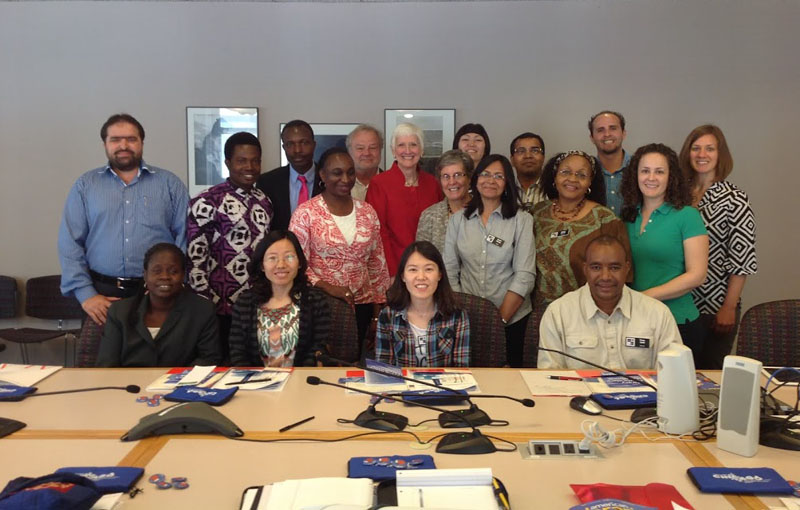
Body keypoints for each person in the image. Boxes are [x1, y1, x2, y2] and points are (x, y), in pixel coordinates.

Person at [58, 113, 189, 328]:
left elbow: (186, 238)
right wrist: (86, 295)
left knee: (159, 360)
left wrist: (175, 286)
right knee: (103, 359)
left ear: (142, 143)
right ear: (105, 144)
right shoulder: (86, 185)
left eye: (131, 139)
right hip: (102, 296)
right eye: (115, 139)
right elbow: (70, 243)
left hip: (159, 293)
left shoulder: (169, 184)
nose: (123, 145)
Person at [290, 147, 391, 350]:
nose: (345, 179)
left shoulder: (367, 212)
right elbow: (296, 263)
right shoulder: (306, 213)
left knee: (357, 366)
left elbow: (377, 263)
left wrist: (378, 311)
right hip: (321, 305)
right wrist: (329, 288)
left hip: (362, 306)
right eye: (337, 173)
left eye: (350, 172)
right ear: (322, 175)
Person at [444, 154, 535, 367]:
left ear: (507, 183)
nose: (490, 180)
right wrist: (464, 313)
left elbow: (525, 275)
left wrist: (498, 321)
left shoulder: (521, 220)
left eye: (498, 176)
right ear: (475, 180)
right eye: (485, 174)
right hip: (467, 319)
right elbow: (449, 269)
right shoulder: (458, 220)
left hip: (512, 320)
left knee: (510, 381)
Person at [538, 236, 682, 369]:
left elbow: (673, 374)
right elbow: (549, 377)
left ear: (627, 268)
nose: (605, 276)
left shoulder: (657, 313)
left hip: (645, 396)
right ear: (585, 269)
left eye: (614, 268)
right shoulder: (558, 313)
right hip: (580, 396)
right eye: (596, 267)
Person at [187, 132, 273, 355]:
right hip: (219, 309)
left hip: (258, 304)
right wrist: (203, 307)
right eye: (242, 160)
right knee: (221, 368)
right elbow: (195, 259)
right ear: (228, 163)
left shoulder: (264, 201)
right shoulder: (206, 201)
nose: (250, 167)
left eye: (255, 160)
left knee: (255, 367)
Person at [679, 125, 758, 369]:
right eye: (696, 148)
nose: (702, 154)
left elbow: (742, 258)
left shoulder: (735, 198)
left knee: (710, 376)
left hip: (715, 306)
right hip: (680, 302)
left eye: (709, 148)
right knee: (679, 374)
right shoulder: (679, 196)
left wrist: (728, 307)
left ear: (720, 154)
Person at [621, 143, 709, 357]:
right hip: (636, 321)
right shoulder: (627, 218)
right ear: (635, 175)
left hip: (677, 321)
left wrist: (644, 297)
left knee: (674, 389)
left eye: (659, 171)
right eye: (645, 171)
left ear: (671, 177)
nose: (651, 178)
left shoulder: (687, 216)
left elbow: (697, 275)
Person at [96, 243, 221, 367]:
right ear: (145, 275)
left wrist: (176, 381)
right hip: (129, 385)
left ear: (183, 275)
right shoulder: (120, 312)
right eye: (157, 271)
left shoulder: (202, 310)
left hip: (180, 384)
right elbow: (106, 364)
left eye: (173, 271)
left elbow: (208, 360)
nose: (165, 277)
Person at [532, 150, 631, 307]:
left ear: (590, 182)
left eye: (581, 175)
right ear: (555, 176)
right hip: (538, 314)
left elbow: (622, 275)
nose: (572, 179)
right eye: (565, 172)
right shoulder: (536, 214)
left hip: (587, 313)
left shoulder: (606, 220)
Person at [228, 231, 330, 367]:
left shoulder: (316, 300)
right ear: (262, 266)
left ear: (299, 262)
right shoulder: (245, 302)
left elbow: (319, 350)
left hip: (302, 382)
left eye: (289, 257)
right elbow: (238, 353)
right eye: (272, 258)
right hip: (254, 382)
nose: (281, 265)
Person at [376, 241, 470, 367]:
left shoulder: (457, 314)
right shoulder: (387, 316)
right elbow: (383, 370)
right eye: (413, 269)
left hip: (444, 385)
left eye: (429, 269)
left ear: (440, 275)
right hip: (401, 385)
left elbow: (461, 369)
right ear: (403, 276)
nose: (421, 276)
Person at [366, 123, 442, 276]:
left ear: (421, 150)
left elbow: (439, 228)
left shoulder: (433, 183)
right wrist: (394, 273)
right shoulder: (379, 184)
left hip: (429, 267)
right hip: (394, 268)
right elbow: (379, 233)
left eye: (413, 145)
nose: (407, 151)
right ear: (393, 151)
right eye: (401, 145)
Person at [256, 120, 322, 231]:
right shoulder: (267, 182)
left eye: (304, 142)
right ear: (284, 147)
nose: (297, 150)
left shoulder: (330, 179)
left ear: (314, 145)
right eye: (290, 144)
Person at [416, 150, 474, 254]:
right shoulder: (429, 216)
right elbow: (422, 259)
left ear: (469, 178)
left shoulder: (483, 211)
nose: (452, 182)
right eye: (446, 176)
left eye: (458, 175)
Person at [588, 110, 630, 216]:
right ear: (592, 138)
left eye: (613, 128)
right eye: (600, 130)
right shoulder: (585, 172)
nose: (607, 134)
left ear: (623, 133)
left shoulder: (641, 169)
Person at [510, 132, 547, 213]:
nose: (528, 156)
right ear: (512, 160)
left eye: (535, 151)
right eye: (521, 151)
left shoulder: (556, 190)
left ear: (543, 158)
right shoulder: (504, 191)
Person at [347, 124, 384, 201]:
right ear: (349, 151)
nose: (367, 153)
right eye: (360, 148)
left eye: (373, 147)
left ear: (381, 149)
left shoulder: (392, 184)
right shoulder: (337, 185)